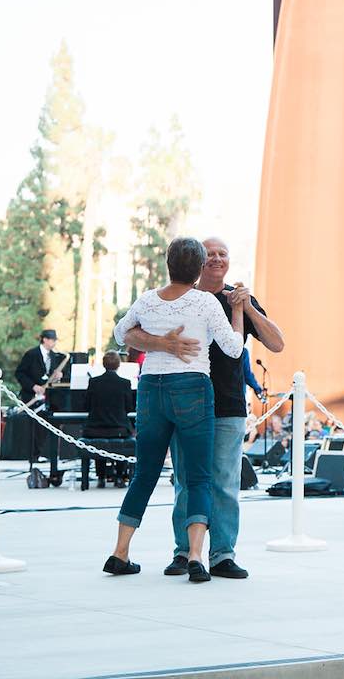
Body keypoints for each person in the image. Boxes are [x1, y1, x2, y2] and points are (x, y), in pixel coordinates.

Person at [123, 236, 284, 580]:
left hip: (226, 405)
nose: (216, 259)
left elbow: (277, 343)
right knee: (185, 480)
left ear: (229, 261)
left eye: (222, 254)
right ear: (198, 263)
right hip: (185, 404)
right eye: (209, 254)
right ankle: (184, 552)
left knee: (225, 481)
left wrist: (248, 308)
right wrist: (161, 343)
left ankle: (222, 554)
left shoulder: (239, 301)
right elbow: (128, 334)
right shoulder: (172, 299)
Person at [105, 236, 244, 582]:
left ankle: (120, 551)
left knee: (144, 474)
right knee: (198, 476)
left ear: (168, 265)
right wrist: (238, 312)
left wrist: (157, 342)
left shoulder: (148, 299)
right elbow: (232, 348)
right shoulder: (205, 302)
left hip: (152, 389)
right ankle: (196, 555)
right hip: (193, 388)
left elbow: (120, 334)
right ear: (198, 269)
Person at [14, 329, 68, 484]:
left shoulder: (54, 356)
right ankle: (32, 455)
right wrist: (33, 386)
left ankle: (43, 453)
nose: (54, 343)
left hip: (47, 397)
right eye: (52, 340)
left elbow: (54, 374)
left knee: (45, 425)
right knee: (33, 426)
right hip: (32, 395)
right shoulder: (31, 354)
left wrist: (59, 376)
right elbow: (20, 373)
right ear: (44, 339)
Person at [77, 351, 136, 488]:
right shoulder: (125, 383)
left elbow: (86, 406)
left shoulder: (93, 382)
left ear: (103, 364)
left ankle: (101, 476)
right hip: (119, 429)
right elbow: (129, 408)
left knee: (99, 439)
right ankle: (120, 477)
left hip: (95, 429)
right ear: (118, 365)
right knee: (121, 440)